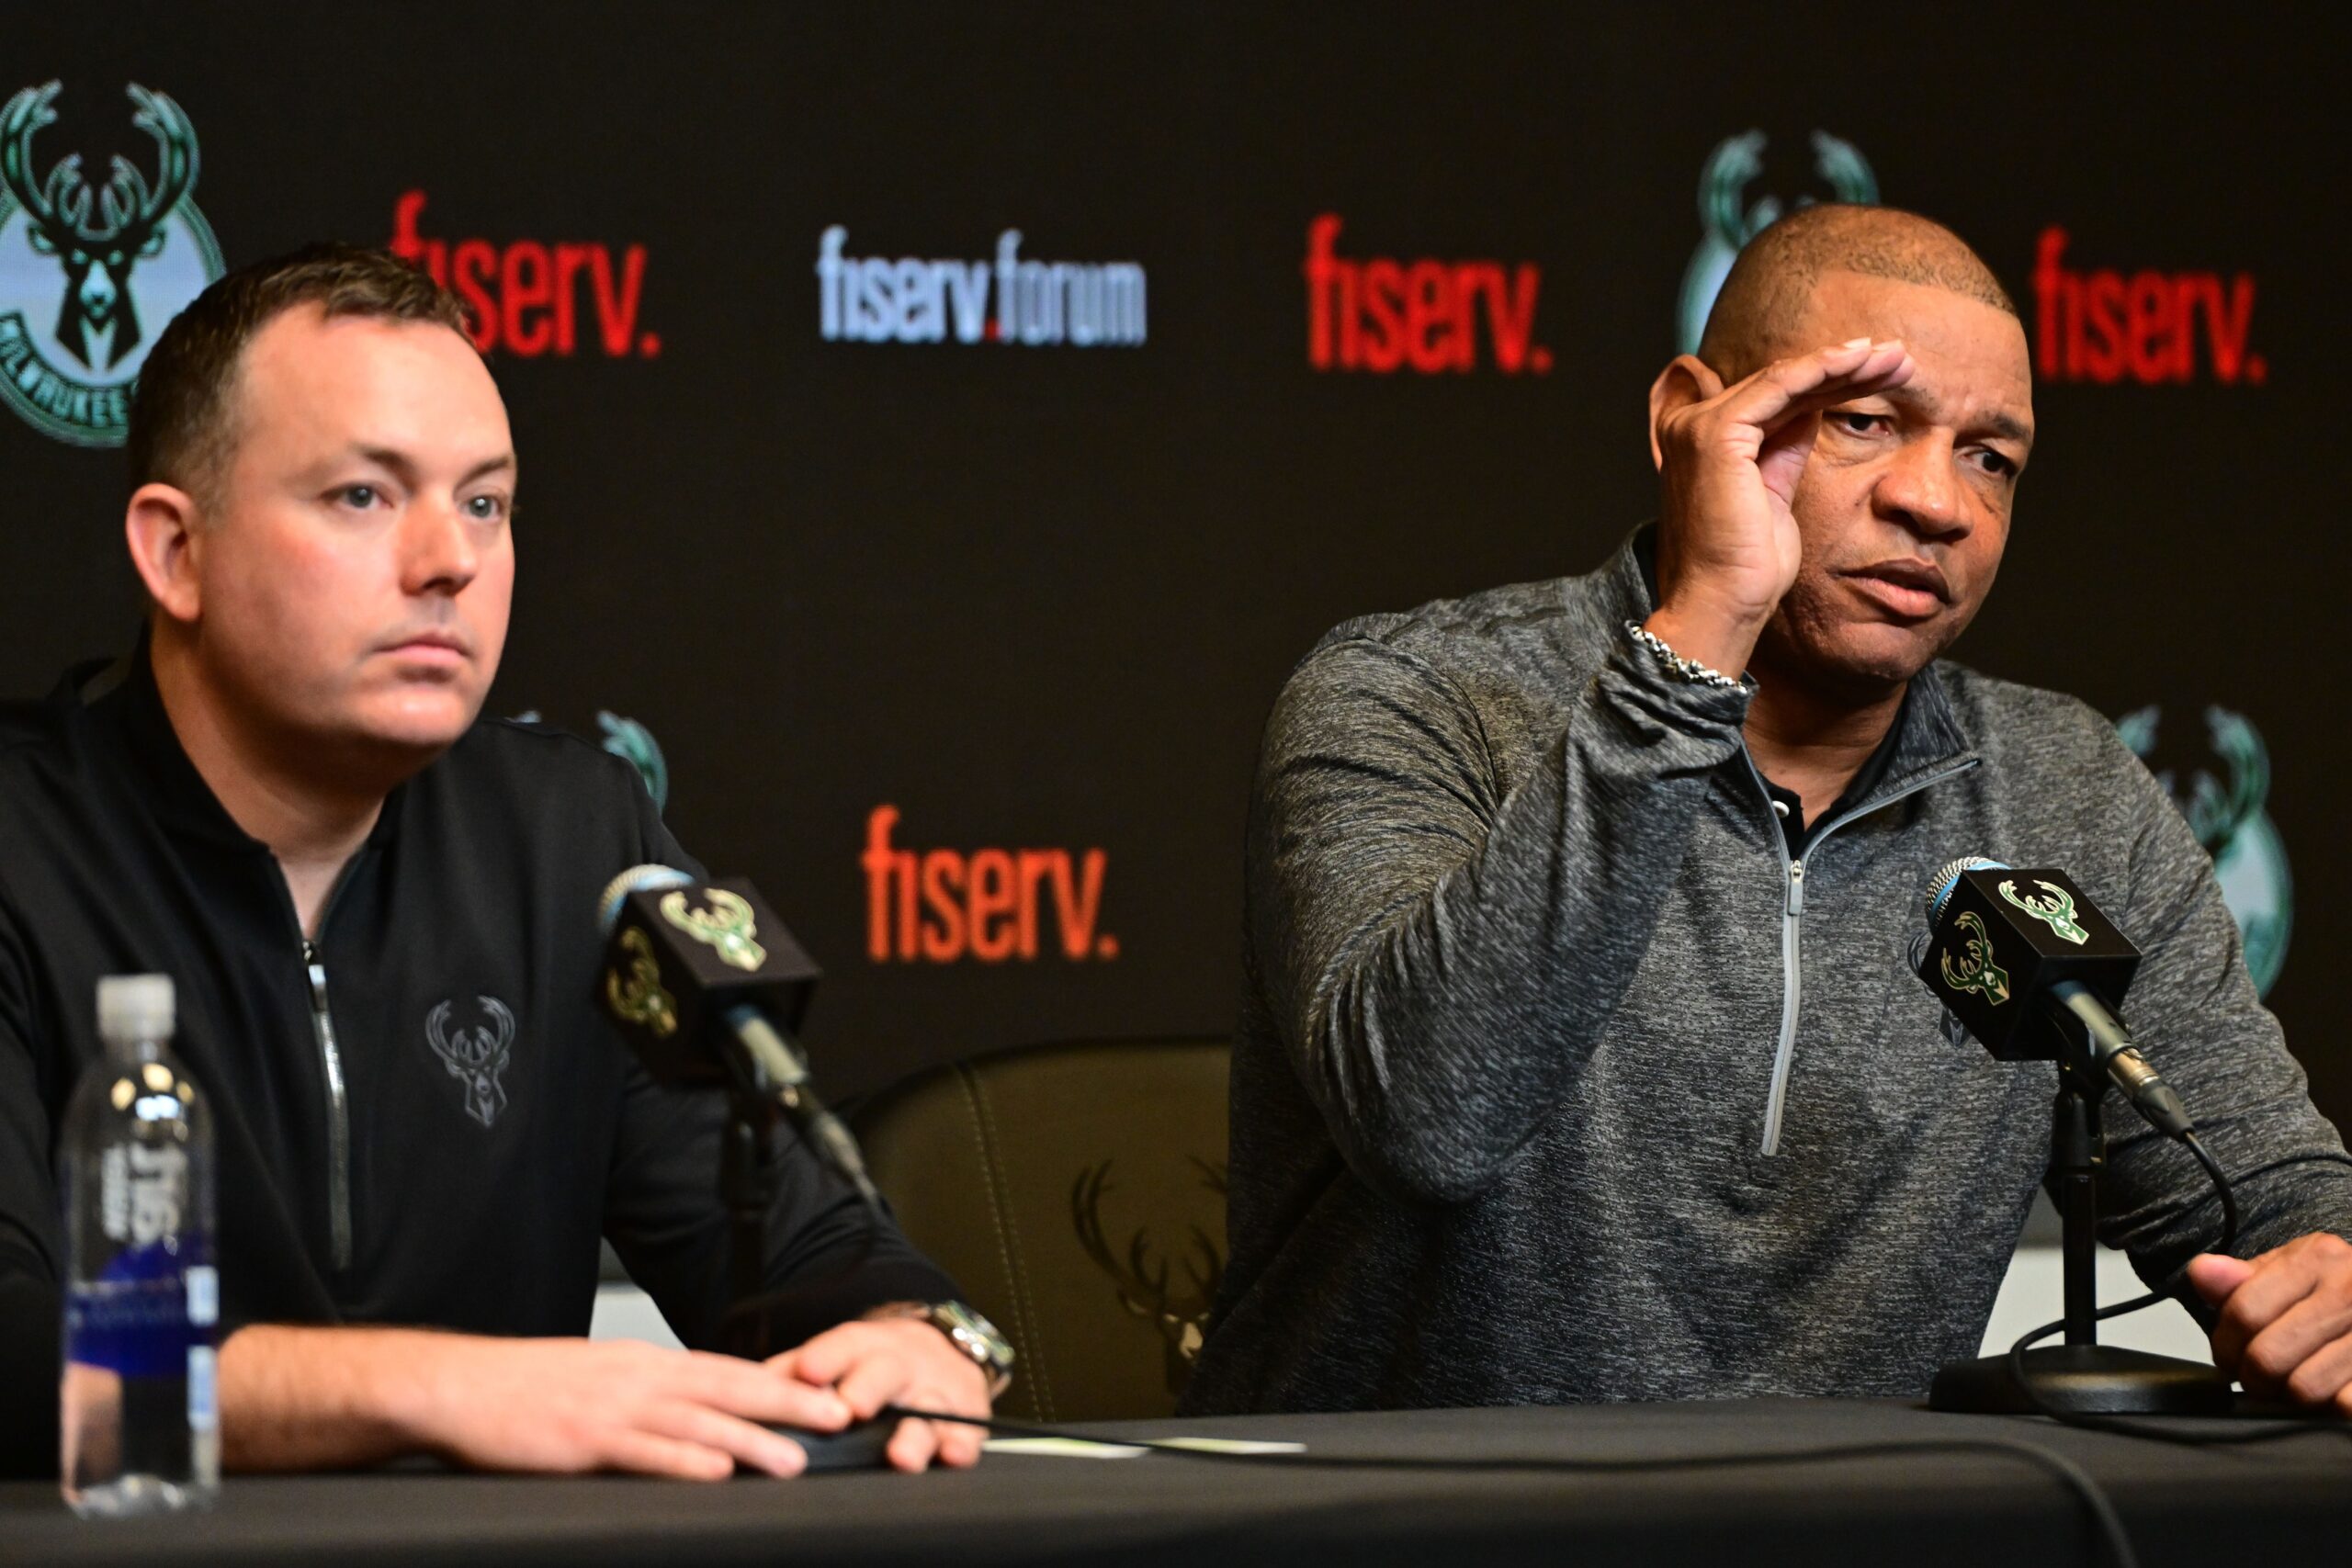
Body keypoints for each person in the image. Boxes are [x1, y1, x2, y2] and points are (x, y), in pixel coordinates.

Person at [1183, 205, 2352, 1416]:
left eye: (1990, 458)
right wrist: (1699, 641)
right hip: (1415, 1533)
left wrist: (2328, 1276)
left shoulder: (2065, 788)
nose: (1937, 502)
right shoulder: (1413, 699)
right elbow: (1433, 1118)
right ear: (1690, 419)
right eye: (1864, 423)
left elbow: (2266, 1201)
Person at [0, 246, 1010, 1480]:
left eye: (485, 502)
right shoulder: (21, 842)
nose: (451, 562)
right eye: (363, 498)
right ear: (176, 553)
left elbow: (795, 1250)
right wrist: (432, 1389)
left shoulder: (583, 839)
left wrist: (903, 1332)